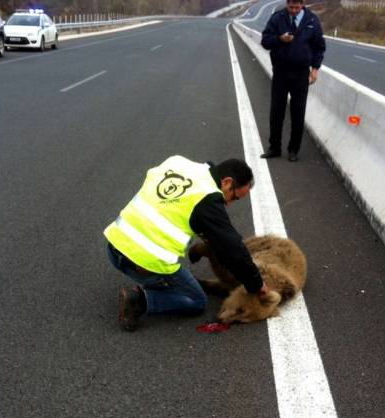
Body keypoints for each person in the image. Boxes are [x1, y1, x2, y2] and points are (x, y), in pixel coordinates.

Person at [104, 155, 270, 331]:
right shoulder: (208, 198)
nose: (228, 204)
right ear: (227, 183)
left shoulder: (177, 162)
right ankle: (139, 300)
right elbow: (233, 248)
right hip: (143, 262)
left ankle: (152, 283)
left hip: (114, 246)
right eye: (235, 197)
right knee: (196, 301)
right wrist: (257, 285)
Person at [260, 0, 326, 162]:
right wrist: (279, 39)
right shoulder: (277, 18)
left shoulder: (312, 20)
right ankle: (274, 147)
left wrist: (315, 69)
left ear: (302, 4)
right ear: (287, 4)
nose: (294, 11)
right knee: (276, 112)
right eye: (291, 7)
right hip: (281, 72)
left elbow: (319, 47)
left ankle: (293, 149)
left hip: (301, 74)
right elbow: (265, 41)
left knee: (298, 112)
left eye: (297, 7)